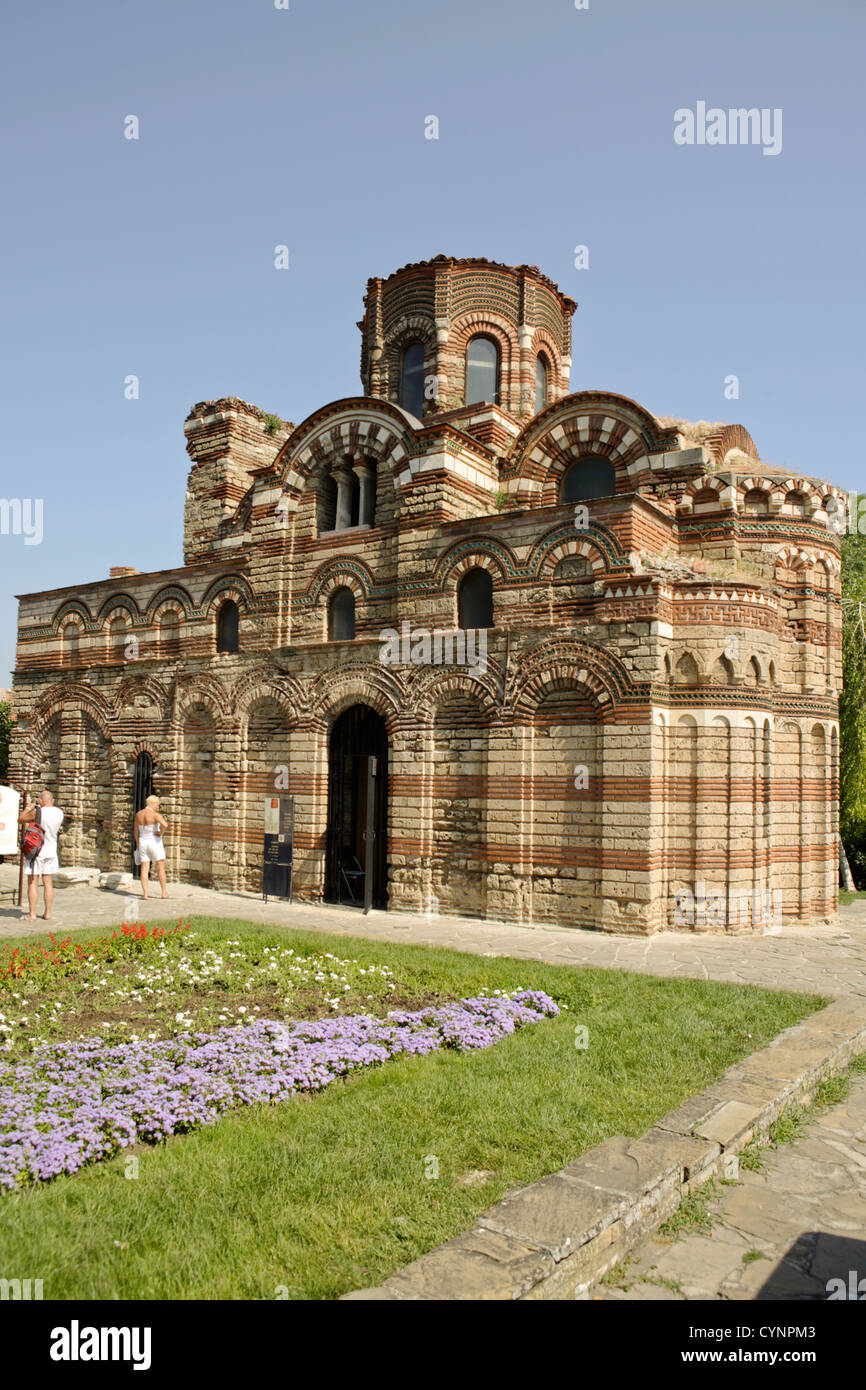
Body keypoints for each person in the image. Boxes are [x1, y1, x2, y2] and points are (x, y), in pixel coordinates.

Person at [18, 790, 64, 921]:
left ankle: (32, 914)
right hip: (51, 850)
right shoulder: (59, 812)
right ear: (53, 800)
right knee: (48, 882)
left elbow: (20, 819)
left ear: (41, 801)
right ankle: (47, 913)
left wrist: (29, 807)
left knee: (33, 881)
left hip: (37, 851)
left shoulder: (39, 812)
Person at [134, 795, 169, 900]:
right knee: (160, 865)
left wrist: (138, 843)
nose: (158, 807)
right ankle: (163, 892)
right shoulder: (155, 815)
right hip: (154, 840)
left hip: (142, 840)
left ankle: (145, 894)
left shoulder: (138, 814)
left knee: (144, 867)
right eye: (157, 804)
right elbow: (165, 825)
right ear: (153, 804)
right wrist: (160, 832)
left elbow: (136, 831)